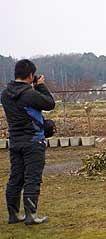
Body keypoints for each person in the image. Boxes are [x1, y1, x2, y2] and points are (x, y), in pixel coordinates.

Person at [1, 59, 55, 225]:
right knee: (32, 178)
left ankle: (13, 214)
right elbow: (49, 103)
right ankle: (31, 215)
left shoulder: (5, 94)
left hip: (15, 141)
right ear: (30, 75)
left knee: (16, 178)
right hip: (33, 141)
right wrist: (40, 86)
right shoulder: (29, 94)